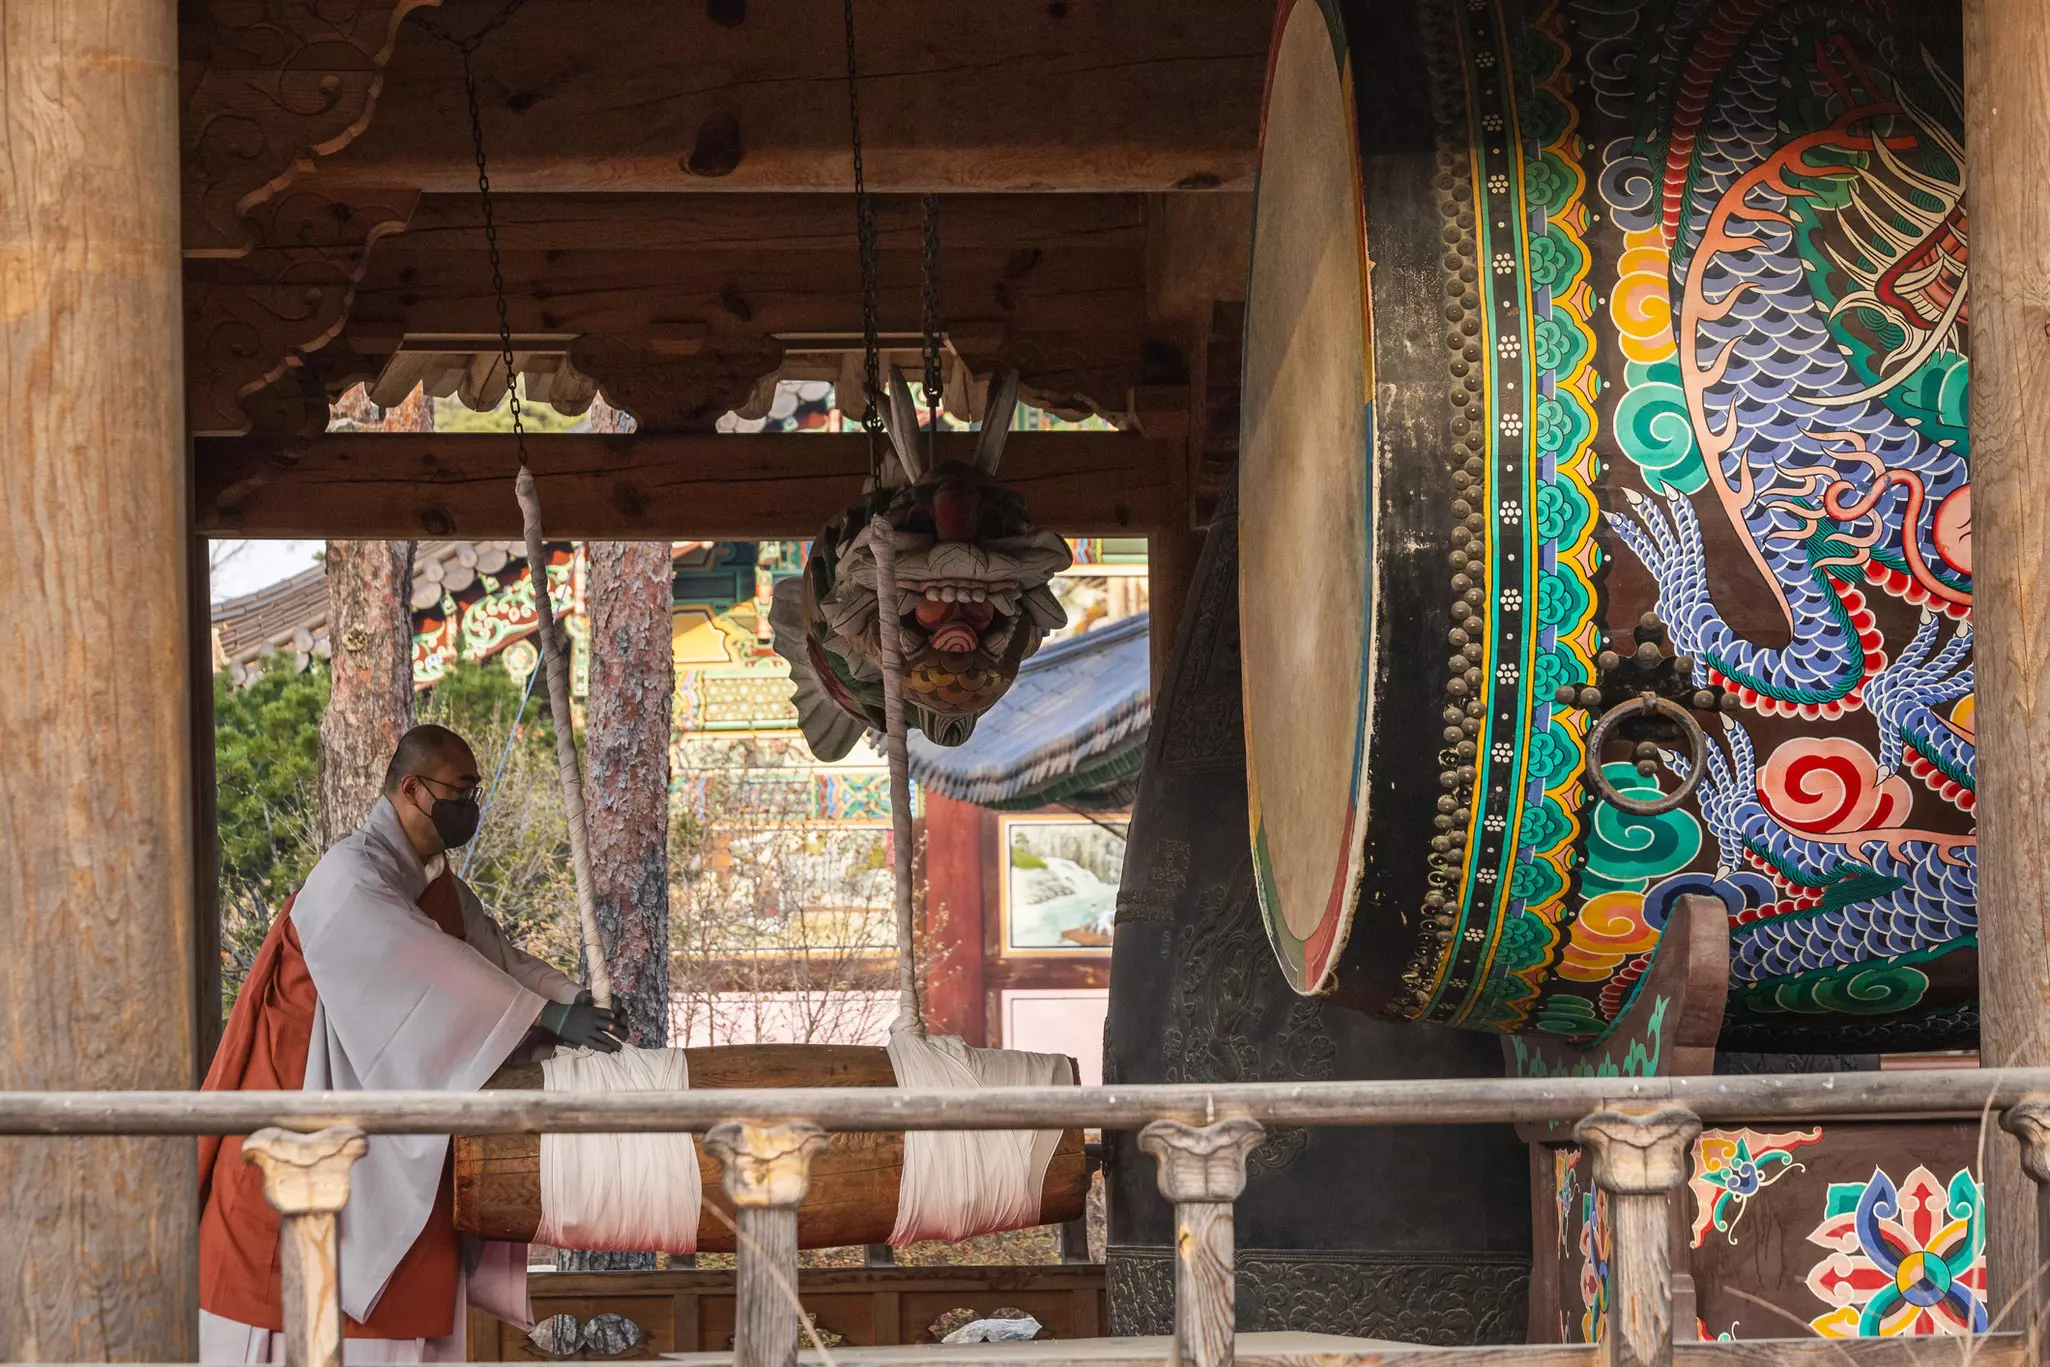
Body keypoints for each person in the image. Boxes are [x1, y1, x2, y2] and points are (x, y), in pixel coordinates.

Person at [197, 724, 626, 1363]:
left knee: (411, 1274)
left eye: (475, 790)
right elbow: (424, 965)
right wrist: (544, 1017)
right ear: (411, 788)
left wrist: (572, 1003)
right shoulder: (348, 876)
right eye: (460, 789)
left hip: (388, 1129)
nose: (470, 805)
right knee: (279, 1272)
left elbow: (496, 961)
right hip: (299, 1109)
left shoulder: (435, 886)